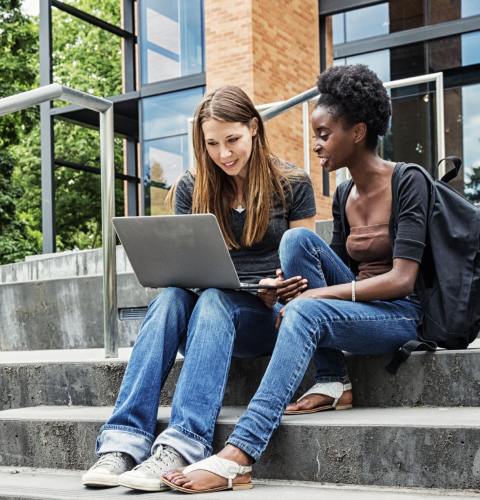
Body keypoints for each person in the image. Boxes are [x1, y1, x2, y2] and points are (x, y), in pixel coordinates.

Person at [162, 64, 429, 493]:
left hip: (399, 313)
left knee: (303, 301)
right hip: (357, 305)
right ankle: (334, 378)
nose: (316, 144)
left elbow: (401, 281)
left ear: (358, 131)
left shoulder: (408, 181)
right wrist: (282, 289)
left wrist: (308, 301)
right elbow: (332, 266)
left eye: (324, 134)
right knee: (297, 242)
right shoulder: (343, 194)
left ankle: (239, 455)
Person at [81, 84, 317, 491]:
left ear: (254, 129)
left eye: (233, 140)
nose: (224, 154)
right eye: (212, 143)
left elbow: (305, 270)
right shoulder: (192, 187)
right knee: (173, 296)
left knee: (213, 300)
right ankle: (122, 443)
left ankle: (182, 446)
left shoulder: (293, 183)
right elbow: (184, 269)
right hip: (209, 317)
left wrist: (278, 286)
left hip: (266, 318)